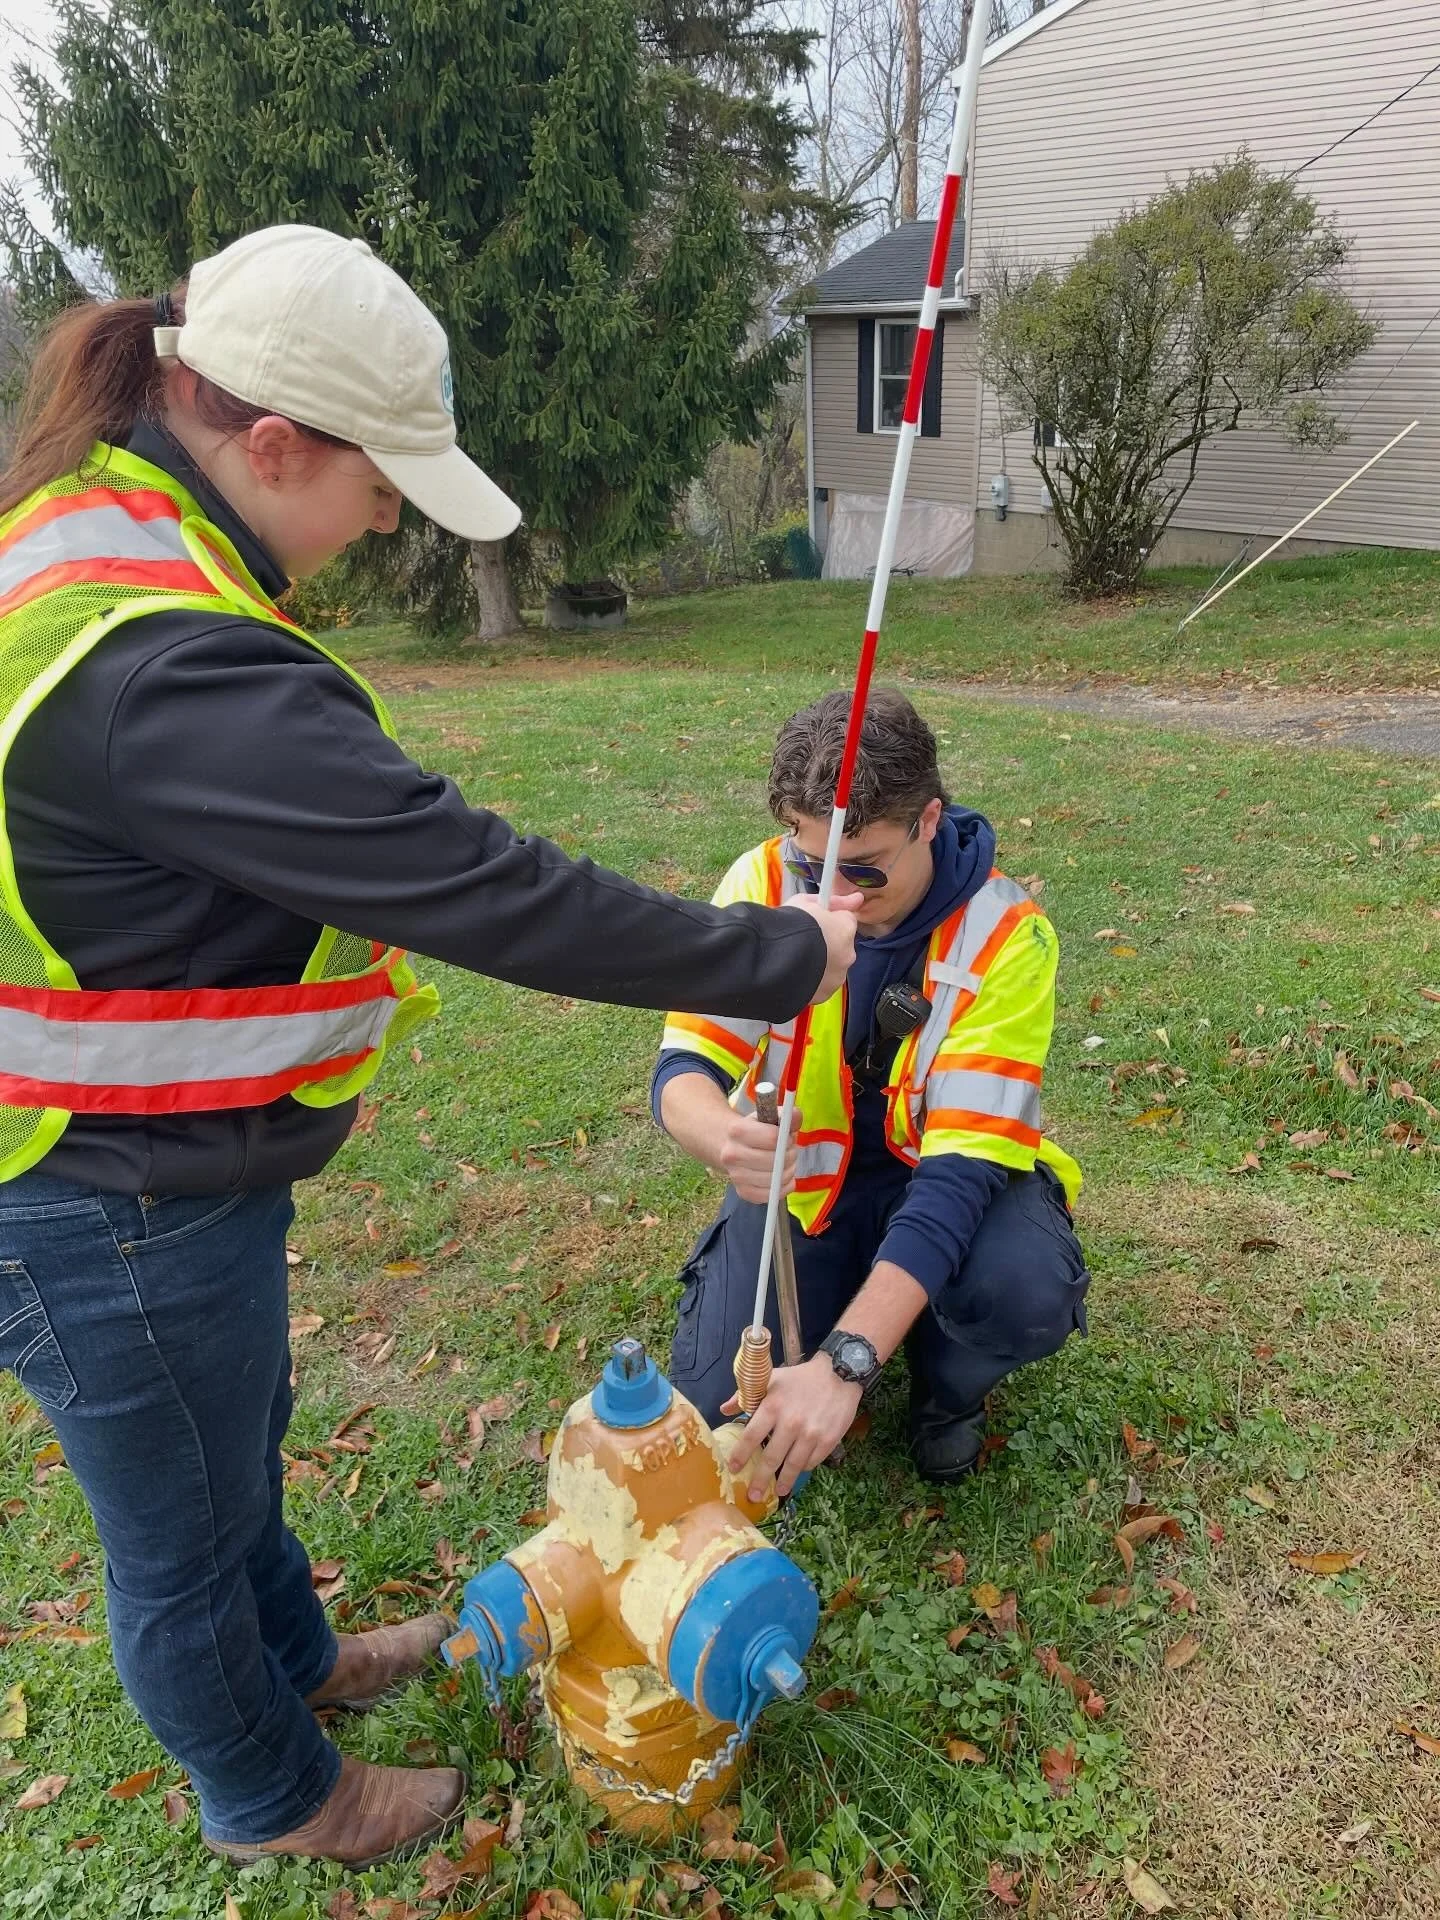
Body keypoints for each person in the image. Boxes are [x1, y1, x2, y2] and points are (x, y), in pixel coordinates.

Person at [0, 225, 860, 1868]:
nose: (390, 514)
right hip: (94, 1195)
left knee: (227, 1451)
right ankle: (276, 1796)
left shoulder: (99, 544)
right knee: (175, 1539)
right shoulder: (169, 666)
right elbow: (485, 888)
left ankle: (305, 1665)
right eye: (381, 480)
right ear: (269, 444)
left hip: (156, 1170)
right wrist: (773, 957)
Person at [654, 687, 1090, 1500]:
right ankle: (865, 1309)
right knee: (715, 1398)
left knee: (1020, 1291)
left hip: (953, 1185)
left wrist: (846, 1365)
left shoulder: (1008, 933)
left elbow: (960, 1176)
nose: (835, 895)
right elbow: (684, 1066)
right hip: (809, 1189)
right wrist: (716, 1133)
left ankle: (945, 1389)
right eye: (812, 862)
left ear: (928, 820)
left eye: (862, 869)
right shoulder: (761, 881)